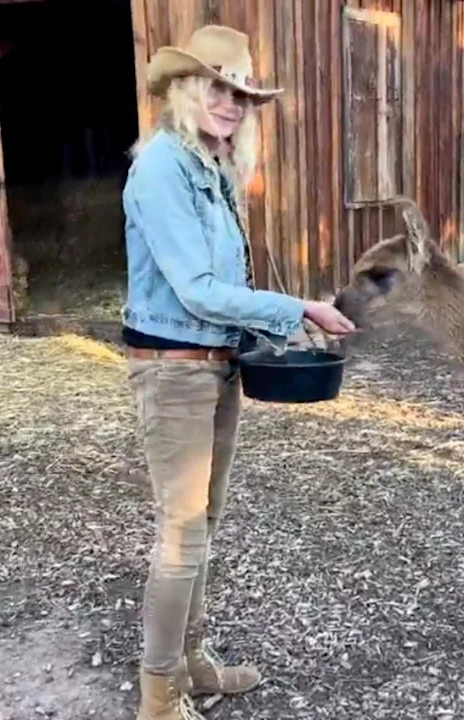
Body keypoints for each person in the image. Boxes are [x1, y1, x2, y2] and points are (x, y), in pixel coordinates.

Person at [121, 25, 354, 720]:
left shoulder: (211, 170)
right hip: (173, 370)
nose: (231, 103)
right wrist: (296, 307)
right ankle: (159, 695)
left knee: (204, 523)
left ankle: (192, 662)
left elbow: (227, 286)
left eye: (242, 94)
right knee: (181, 533)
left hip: (216, 367)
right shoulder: (161, 167)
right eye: (218, 88)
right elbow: (194, 289)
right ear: (189, 89)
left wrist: (286, 325)